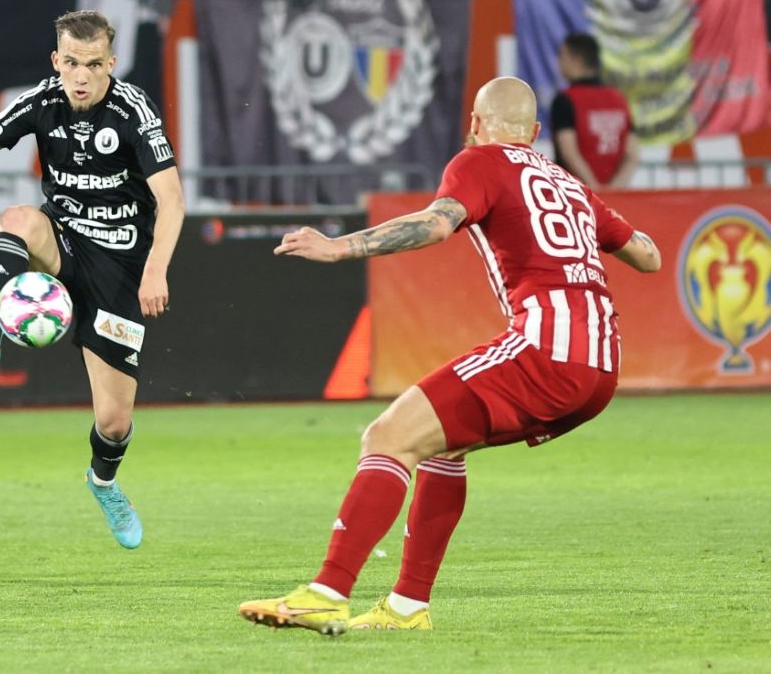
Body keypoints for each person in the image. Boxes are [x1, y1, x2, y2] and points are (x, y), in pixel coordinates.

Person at [238, 76, 661, 634]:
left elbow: (435, 224)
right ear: (535, 133)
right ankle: (408, 607)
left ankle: (327, 591)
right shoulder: (571, 186)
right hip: (602, 366)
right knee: (443, 448)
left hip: (545, 350)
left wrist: (343, 246)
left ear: (476, 124)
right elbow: (649, 256)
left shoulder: (478, 160)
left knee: (387, 437)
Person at [0, 10, 185, 550]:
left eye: (93, 65)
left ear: (110, 64)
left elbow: (171, 198)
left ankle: (103, 483)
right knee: (20, 218)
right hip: (64, 243)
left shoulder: (133, 111)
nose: (81, 76)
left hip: (119, 269)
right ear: (57, 60)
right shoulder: (41, 100)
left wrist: (155, 269)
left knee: (115, 422)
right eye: (71, 63)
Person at [551, 33, 641, 191]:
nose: (559, 62)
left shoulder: (565, 100)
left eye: (562, 55)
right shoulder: (619, 99)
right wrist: (613, 191)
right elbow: (632, 154)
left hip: (573, 196)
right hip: (613, 199)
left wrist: (594, 189)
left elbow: (569, 152)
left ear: (576, 59)